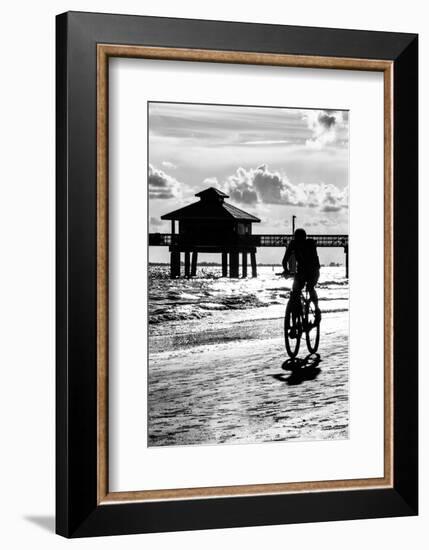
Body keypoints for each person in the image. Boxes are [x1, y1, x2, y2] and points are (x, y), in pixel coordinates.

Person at [282, 228, 321, 322]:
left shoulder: (310, 244)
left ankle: (316, 309)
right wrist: (286, 269)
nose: (299, 240)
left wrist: (286, 270)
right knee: (296, 290)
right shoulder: (294, 244)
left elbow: (315, 261)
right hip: (303, 271)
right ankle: (299, 308)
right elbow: (285, 260)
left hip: (312, 270)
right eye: (297, 238)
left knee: (310, 287)